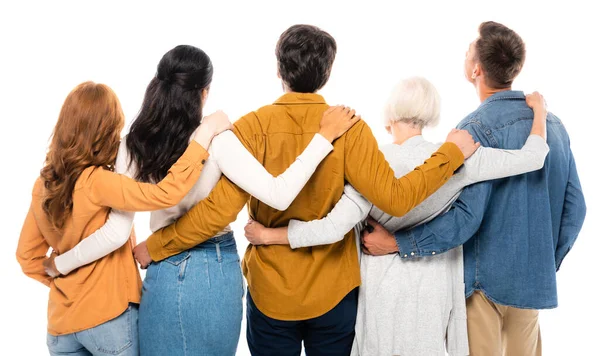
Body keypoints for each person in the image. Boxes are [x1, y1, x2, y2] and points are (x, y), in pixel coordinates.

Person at [133, 25, 480, 356]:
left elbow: (217, 213)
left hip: (272, 292)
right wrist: (450, 153)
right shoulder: (350, 128)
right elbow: (396, 199)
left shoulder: (253, 127)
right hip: (334, 293)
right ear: (327, 73)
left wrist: (158, 245)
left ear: (279, 70)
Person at [44, 45, 360, 356]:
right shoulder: (219, 141)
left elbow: (115, 232)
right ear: (204, 92)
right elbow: (279, 194)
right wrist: (323, 138)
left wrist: (60, 265)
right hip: (213, 266)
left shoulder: (133, 144)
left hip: (163, 269)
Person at [244, 77, 549, 356]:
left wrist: (270, 235)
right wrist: (539, 113)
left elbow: (333, 228)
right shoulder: (460, 156)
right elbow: (534, 158)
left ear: (389, 118)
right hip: (434, 284)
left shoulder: (372, 165)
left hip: (380, 286)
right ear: (431, 115)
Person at [358, 22, 587, 356]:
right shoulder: (553, 125)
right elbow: (575, 208)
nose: (465, 54)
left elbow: (465, 218)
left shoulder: (472, 130)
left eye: (468, 50)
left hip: (482, 287)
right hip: (530, 285)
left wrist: (398, 243)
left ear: (475, 70)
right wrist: (543, 263)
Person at [16, 81, 233, 355]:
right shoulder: (100, 182)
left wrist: (64, 280)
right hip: (109, 319)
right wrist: (204, 136)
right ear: (107, 130)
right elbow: (167, 193)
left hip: (61, 328)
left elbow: (26, 257)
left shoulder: (43, 184)